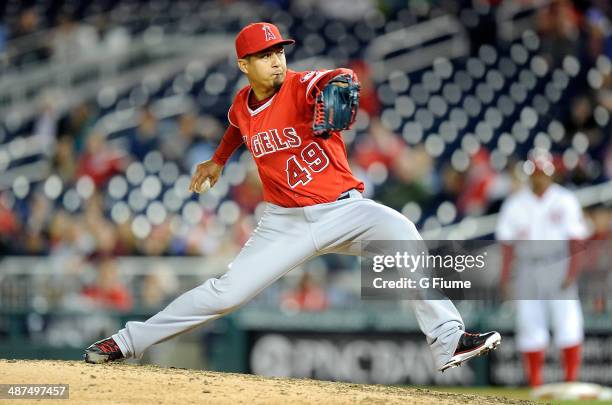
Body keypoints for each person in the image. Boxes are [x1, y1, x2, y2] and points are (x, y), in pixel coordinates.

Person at [84, 22, 501, 371]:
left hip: (344, 210)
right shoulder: (242, 104)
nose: (277, 60)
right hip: (283, 223)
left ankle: (448, 340)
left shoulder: (300, 86)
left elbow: (340, 77)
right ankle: (126, 342)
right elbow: (235, 124)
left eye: (280, 51)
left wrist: (341, 83)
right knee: (225, 294)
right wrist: (218, 161)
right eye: (265, 55)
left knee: (402, 232)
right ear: (243, 65)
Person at [496, 149, 588, 387]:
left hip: (558, 263)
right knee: (529, 323)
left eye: (543, 173)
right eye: (535, 173)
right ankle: (535, 383)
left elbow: (576, 240)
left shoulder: (565, 199)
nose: (538, 178)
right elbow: (507, 245)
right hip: (528, 266)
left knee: (567, 322)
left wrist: (571, 271)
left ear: (551, 174)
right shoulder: (515, 203)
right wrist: (505, 277)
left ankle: (570, 381)